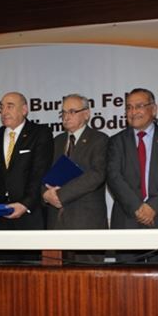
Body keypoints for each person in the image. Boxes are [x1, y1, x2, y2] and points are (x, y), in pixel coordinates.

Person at [107, 88, 158, 263]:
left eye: (139, 106)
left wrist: (152, 207)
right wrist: (138, 208)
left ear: (154, 109)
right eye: (129, 107)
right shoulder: (116, 141)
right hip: (127, 219)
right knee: (127, 278)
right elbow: (114, 177)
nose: (133, 112)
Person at [0, 92, 53, 260]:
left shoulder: (40, 133)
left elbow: (39, 173)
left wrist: (25, 204)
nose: (4, 112)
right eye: (2, 107)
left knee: (31, 272)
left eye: (10, 106)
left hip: (29, 217)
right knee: (1, 273)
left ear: (24, 110)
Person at [44, 94, 108, 262]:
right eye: (63, 112)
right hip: (56, 222)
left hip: (86, 221)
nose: (66, 117)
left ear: (86, 114)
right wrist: (45, 194)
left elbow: (97, 174)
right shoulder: (57, 141)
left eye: (72, 111)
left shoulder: (100, 140)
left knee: (88, 274)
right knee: (55, 275)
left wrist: (61, 195)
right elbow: (43, 174)